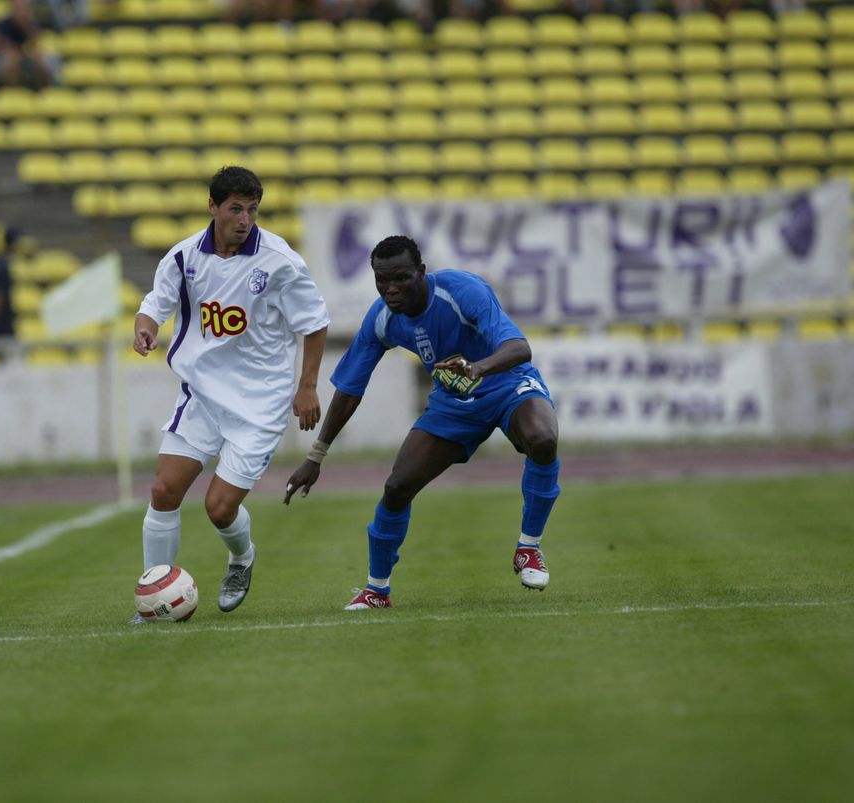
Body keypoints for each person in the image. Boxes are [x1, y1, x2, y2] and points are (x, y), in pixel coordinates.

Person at [283, 235, 560, 610]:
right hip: (454, 404)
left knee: (542, 438)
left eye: (401, 278)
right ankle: (377, 591)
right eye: (382, 280)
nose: (391, 289)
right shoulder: (382, 318)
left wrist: (477, 368)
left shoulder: (462, 290)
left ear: (422, 272)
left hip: (508, 384)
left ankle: (528, 548)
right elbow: (350, 388)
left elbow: (519, 348)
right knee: (397, 486)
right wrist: (316, 455)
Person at [131, 165, 329, 622]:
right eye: (236, 209)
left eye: (252, 210)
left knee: (218, 508)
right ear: (213, 207)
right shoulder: (183, 257)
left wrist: (307, 386)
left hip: (259, 404)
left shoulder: (279, 260)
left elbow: (315, 323)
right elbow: (155, 303)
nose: (245, 219)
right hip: (202, 395)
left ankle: (241, 558)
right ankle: (152, 599)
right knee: (164, 490)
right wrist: (145, 328)